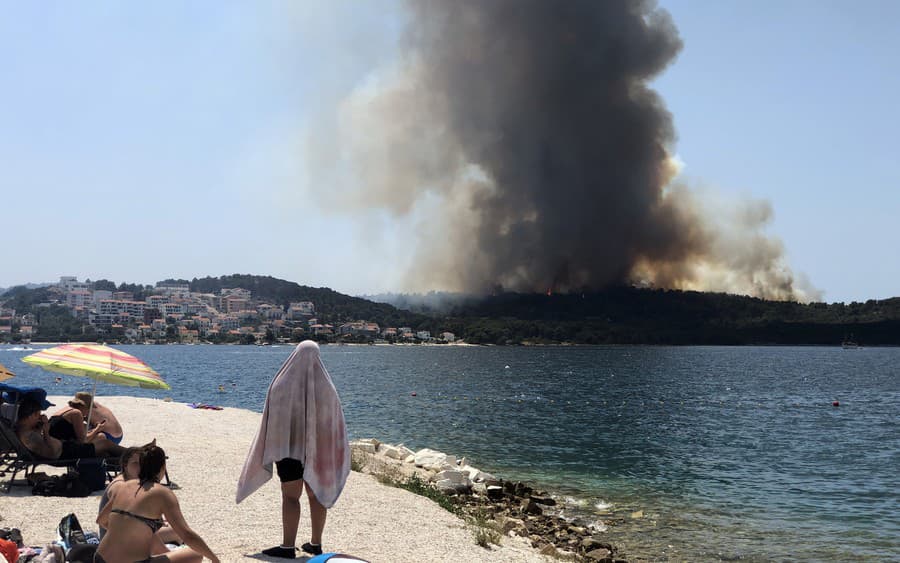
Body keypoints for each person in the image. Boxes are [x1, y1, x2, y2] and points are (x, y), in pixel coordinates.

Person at [236, 340, 350, 559]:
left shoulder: (281, 383)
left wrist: (274, 446)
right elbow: (334, 424)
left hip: (287, 449)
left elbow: (272, 419)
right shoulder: (327, 387)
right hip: (318, 452)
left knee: (290, 497)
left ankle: (288, 546)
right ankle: (316, 544)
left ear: (295, 355)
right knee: (316, 495)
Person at [96, 445, 219, 563]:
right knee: (195, 554)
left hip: (100, 559)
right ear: (163, 467)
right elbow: (187, 535)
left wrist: (127, 536)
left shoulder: (123, 486)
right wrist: (214, 558)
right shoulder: (163, 493)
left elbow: (101, 520)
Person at [98, 445, 182, 550]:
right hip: (119, 542)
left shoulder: (131, 483)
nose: (140, 468)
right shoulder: (118, 486)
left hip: (122, 538)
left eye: (142, 464)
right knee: (176, 533)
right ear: (125, 465)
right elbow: (107, 520)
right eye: (135, 464)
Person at [14, 396, 123, 460]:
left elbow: (39, 445)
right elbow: (51, 451)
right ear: (31, 415)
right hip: (65, 452)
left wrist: (40, 429)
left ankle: (124, 461)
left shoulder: (20, 428)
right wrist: (46, 432)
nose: (39, 418)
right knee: (105, 444)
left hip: (65, 448)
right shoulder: (28, 435)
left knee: (103, 451)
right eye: (38, 415)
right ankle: (133, 455)